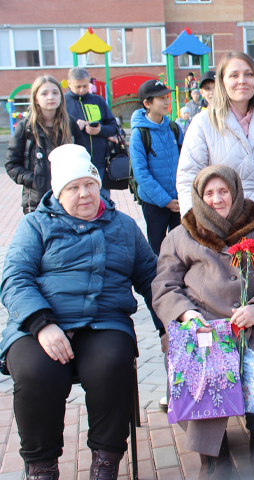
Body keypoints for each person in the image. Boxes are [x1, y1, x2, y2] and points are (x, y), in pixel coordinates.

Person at [0, 144, 159, 480]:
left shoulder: (124, 226)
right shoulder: (35, 225)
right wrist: (41, 323)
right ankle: (41, 467)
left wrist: (170, 328)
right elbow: (15, 278)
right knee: (36, 374)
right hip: (40, 323)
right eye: (73, 187)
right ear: (59, 193)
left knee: (110, 365)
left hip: (104, 321)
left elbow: (153, 279)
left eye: (90, 184)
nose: (85, 194)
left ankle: (105, 460)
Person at [153, 165, 254, 479]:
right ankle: (217, 462)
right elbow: (164, 287)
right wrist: (188, 315)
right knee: (204, 371)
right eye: (209, 193)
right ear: (200, 197)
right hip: (206, 330)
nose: (217, 199)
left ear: (236, 192)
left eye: (223, 191)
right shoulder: (180, 236)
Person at [177, 53, 254, 223]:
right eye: (234, 75)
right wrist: (198, 228)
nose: (242, 80)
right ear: (222, 82)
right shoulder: (202, 124)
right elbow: (188, 179)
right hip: (223, 222)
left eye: (248, 74)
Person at [6, 75, 86, 214]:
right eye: (44, 93)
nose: (51, 97)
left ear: (61, 96)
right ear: (36, 98)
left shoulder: (70, 124)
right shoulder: (25, 128)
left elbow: (84, 156)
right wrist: (34, 180)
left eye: (55, 93)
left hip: (68, 199)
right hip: (37, 201)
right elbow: (12, 164)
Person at [130, 80, 184, 255]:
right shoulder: (139, 134)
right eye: (161, 98)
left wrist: (181, 196)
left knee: (181, 246)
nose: (167, 102)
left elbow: (187, 162)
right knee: (158, 250)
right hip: (155, 203)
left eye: (167, 97)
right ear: (147, 103)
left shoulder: (174, 128)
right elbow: (141, 174)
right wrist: (165, 201)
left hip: (179, 201)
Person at [65, 67, 119, 193]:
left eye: (85, 86)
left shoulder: (97, 100)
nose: (82, 90)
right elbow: (56, 132)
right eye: (78, 86)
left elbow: (114, 127)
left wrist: (100, 130)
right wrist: (73, 127)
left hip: (99, 163)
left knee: (103, 202)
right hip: (74, 165)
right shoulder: (62, 102)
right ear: (69, 83)